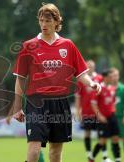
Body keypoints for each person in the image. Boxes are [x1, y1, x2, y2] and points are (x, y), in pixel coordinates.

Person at [12, 3, 101, 162]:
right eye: (41, 20)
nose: (43, 24)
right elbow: (20, 78)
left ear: (56, 21)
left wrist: (92, 83)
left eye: (47, 20)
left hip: (60, 103)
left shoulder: (68, 45)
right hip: (36, 102)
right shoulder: (28, 46)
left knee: (55, 153)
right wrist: (17, 107)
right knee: (34, 151)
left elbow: (80, 74)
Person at [75, 60, 111, 162]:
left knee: (102, 135)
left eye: (92, 66)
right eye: (88, 66)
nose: (90, 68)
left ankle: (105, 156)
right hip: (86, 112)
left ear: (95, 67)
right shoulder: (81, 80)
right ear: (86, 67)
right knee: (87, 133)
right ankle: (89, 154)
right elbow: (78, 97)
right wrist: (78, 111)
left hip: (99, 112)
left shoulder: (99, 78)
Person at [90, 69, 121, 162]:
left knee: (115, 139)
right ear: (106, 78)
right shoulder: (99, 88)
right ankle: (91, 158)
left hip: (112, 117)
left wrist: (113, 111)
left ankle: (118, 160)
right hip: (102, 118)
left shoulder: (112, 88)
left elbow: (113, 102)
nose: (113, 78)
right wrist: (99, 116)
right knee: (102, 141)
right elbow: (93, 104)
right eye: (111, 77)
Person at [110, 68, 124, 162]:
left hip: (121, 118)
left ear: (118, 76)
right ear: (110, 77)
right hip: (111, 118)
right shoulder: (106, 88)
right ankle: (117, 159)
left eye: (116, 75)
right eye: (113, 75)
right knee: (114, 140)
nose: (115, 77)